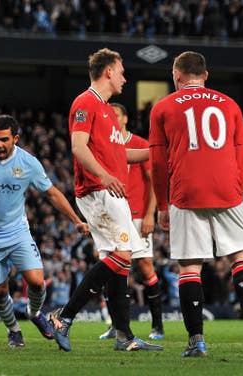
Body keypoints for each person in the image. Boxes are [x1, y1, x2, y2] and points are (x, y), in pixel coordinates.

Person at [149, 51, 243, 358]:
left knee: (190, 264)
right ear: (205, 75)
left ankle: (197, 341)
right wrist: (237, 191)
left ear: (177, 76)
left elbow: (158, 161)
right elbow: (242, 155)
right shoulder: (230, 104)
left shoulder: (163, 107)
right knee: (239, 256)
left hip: (185, 190)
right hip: (227, 189)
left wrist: (162, 205)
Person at [48, 48, 162, 352]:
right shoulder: (85, 103)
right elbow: (78, 147)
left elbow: (121, 154)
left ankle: (124, 336)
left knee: (119, 264)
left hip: (109, 191)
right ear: (109, 71)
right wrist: (105, 175)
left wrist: (157, 153)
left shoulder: (107, 112)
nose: (125, 77)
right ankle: (64, 315)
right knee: (123, 256)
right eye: (122, 71)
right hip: (98, 191)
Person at [0, 114, 90, 348]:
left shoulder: (28, 163)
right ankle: (13, 330)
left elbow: (52, 194)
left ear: (15, 139)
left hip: (17, 231)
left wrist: (76, 220)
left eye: (3, 139)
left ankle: (35, 313)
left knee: (37, 282)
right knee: (0, 291)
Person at [99, 103, 164, 341]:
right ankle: (117, 326)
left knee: (145, 265)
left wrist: (150, 214)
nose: (113, 119)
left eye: (116, 115)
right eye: (110, 116)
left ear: (125, 118)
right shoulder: (104, 144)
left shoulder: (139, 144)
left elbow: (155, 180)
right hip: (111, 215)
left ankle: (157, 325)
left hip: (137, 214)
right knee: (111, 269)